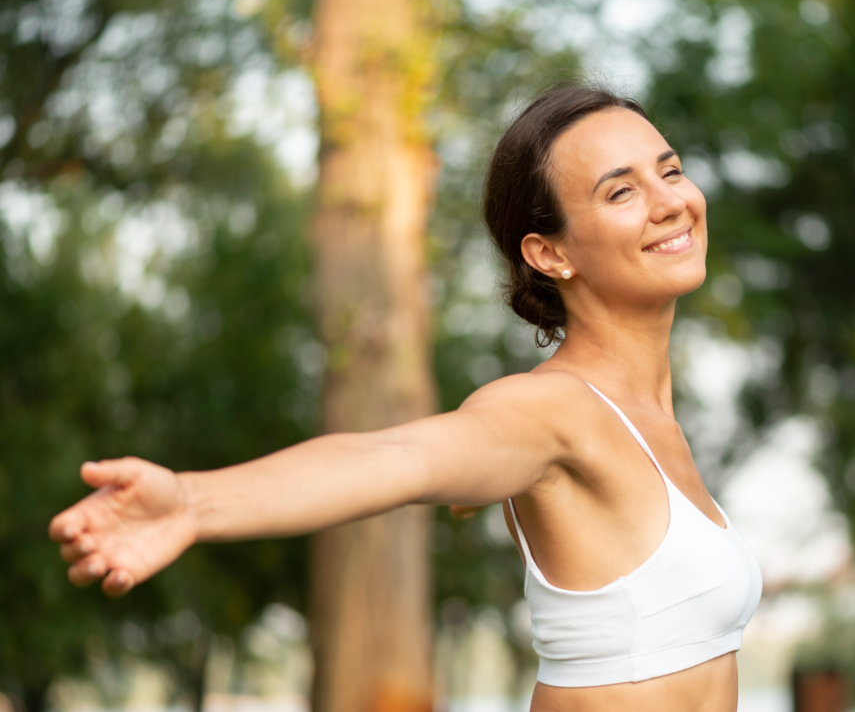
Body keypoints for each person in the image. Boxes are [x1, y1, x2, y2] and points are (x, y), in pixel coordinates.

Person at [50, 84, 762, 712]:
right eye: (621, 191)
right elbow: (401, 457)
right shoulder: (553, 412)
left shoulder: (652, 417)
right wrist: (193, 503)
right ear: (550, 254)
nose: (671, 202)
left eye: (669, 170)